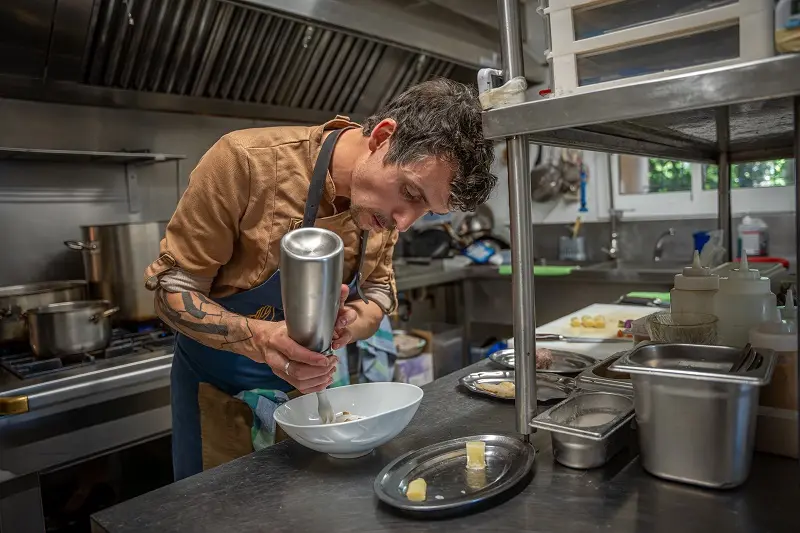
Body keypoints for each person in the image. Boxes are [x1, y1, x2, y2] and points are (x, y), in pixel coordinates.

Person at [143, 78, 497, 480]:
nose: (404, 222)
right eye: (411, 193)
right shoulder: (246, 162)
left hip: (311, 402)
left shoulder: (384, 207)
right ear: (383, 137)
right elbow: (174, 291)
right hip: (218, 397)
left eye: (427, 212)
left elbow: (380, 291)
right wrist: (262, 339)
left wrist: (351, 322)